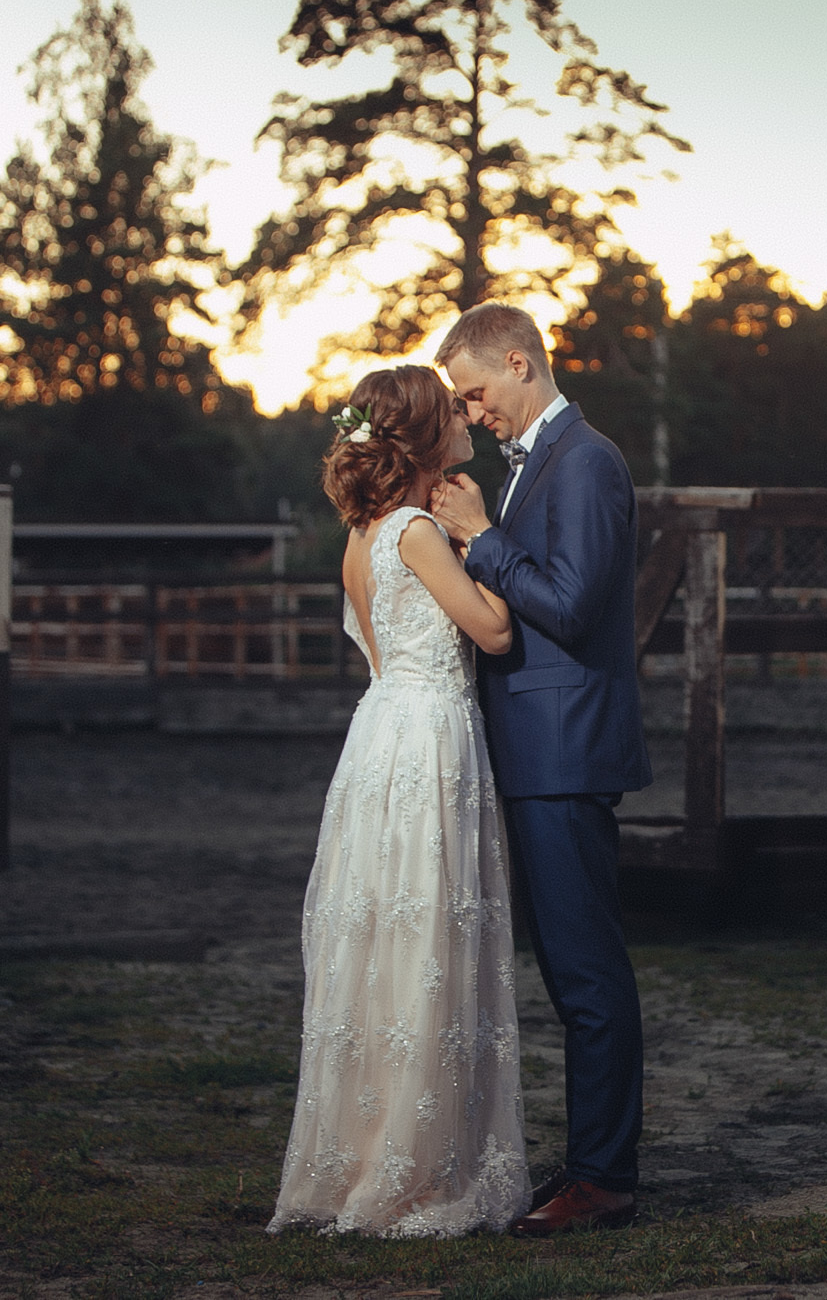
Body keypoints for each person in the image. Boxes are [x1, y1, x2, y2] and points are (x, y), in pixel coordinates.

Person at [269, 365, 530, 1238]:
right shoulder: (418, 529)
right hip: (429, 737)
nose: (466, 417)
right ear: (423, 438)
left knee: (387, 940)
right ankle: (417, 1167)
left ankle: (377, 1147)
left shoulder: (361, 533)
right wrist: (485, 534)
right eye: (450, 410)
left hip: (379, 736)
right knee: (428, 935)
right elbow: (492, 629)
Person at [429, 301, 653, 1237]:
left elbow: (566, 602)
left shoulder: (588, 461)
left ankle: (604, 1177)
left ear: (519, 363)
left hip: (566, 751)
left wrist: (481, 538)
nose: (473, 415)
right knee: (569, 970)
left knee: (587, 973)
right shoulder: (539, 466)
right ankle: (593, 1156)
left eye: (476, 394)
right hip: (535, 751)